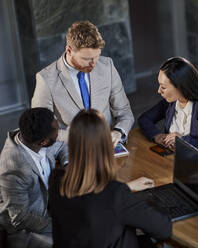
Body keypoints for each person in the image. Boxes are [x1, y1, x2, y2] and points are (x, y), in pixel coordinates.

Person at [48, 109, 172, 248]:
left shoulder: (56, 180)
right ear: (106, 146)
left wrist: (127, 187)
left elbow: (90, 200)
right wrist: (152, 199)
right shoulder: (115, 195)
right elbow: (163, 229)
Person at [31, 21, 134, 146]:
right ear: (69, 50)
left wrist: (118, 132)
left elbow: (124, 111)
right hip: (71, 149)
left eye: (97, 56)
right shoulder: (46, 78)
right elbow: (42, 128)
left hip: (106, 146)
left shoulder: (107, 66)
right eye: (86, 59)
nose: (94, 63)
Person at [0, 108, 68, 248]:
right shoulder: (14, 169)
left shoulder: (33, 134)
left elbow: (62, 146)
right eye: (57, 132)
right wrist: (60, 224)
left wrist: (68, 165)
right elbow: (20, 218)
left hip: (49, 206)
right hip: (26, 229)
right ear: (43, 142)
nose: (60, 133)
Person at [138, 57, 198, 151]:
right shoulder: (169, 103)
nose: (159, 91)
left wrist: (184, 142)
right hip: (170, 160)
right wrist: (157, 135)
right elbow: (144, 119)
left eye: (163, 87)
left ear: (180, 87)